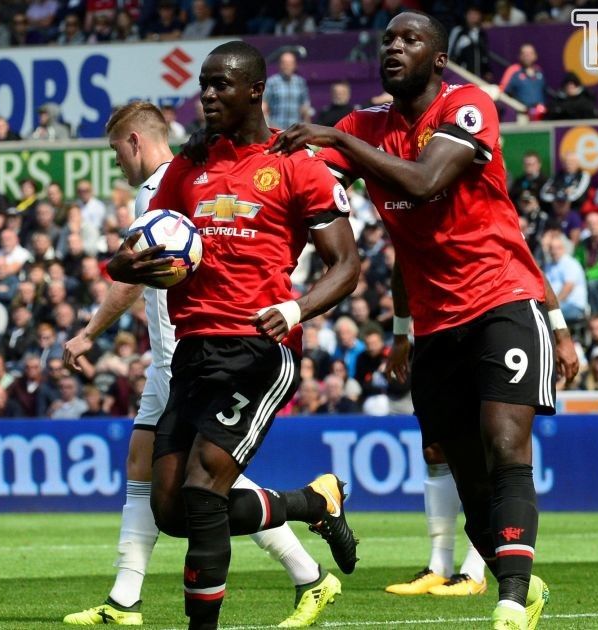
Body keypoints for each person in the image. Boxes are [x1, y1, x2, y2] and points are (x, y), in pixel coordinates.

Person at [269, 12, 581, 629]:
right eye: (388, 39)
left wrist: (339, 141)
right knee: (463, 470)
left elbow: (423, 179)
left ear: (439, 59)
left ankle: (512, 598)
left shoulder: (468, 106)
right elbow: (308, 190)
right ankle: (520, 579)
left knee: (504, 444)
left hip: (502, 300)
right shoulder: (364, 125)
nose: (394, 47)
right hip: (435, 323)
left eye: (410, 39)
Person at [109, 41, 362, 630]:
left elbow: (347, 265)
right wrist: (130, 264)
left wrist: (296, 310)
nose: (208, 95)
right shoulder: (188, 168)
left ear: (255, 90)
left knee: (202, 491)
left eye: (221, 84)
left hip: (257, 348)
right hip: (193, 351)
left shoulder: (297, 164)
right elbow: (130, 252)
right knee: (171, 508)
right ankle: (313, 502)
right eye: (204, 84)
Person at [61, 101, 340, 628]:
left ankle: (309, 532)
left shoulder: (175, 185)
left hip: (192, 352)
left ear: (135, 141)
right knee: (162, 479)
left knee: (202, 487)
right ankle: (128, 596)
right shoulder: (181, 177)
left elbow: (140, 277)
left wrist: (90, 332)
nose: (117, 161)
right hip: (175, 356)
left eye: (117, 150)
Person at [264, 50, 311, 129]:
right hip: (276, 129)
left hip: (295, 130)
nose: (287, 66)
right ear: (279, 65)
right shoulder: (271, 82)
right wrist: (269, 126)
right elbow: (264, 106)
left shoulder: (300, 82)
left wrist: (307, 128)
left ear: (295, 65)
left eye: (290, 63)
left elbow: (305, 108)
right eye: (284, 63)